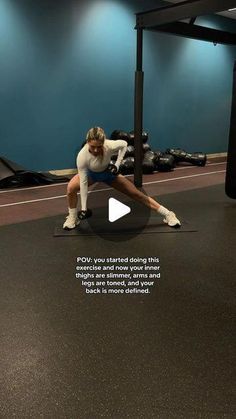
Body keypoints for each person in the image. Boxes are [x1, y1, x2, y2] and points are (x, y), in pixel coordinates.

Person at [63, 127, 181, 229]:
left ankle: (168, 214)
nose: (95, 150)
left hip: (108, 173)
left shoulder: (109, 145)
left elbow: (124, 145)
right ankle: (72, 217)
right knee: (70, 188)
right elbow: (83, 183)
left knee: (136, 194)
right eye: (92, 146)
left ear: (103, 142)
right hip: (91, 175)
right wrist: (84, 208)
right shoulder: (82, 157)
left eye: (98, 147)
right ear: (88, 142)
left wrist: (117, 164)